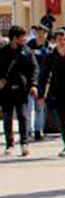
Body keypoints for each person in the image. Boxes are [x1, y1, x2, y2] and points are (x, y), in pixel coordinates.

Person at [38, 28, 65, 158]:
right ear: (55, 41)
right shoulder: (51, 56)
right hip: (58, 92)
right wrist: (41, 94)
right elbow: (44, 75)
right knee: (62, 120)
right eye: (59, 40)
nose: (62, 42)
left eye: (64, 39)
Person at [1, 26, 38, 156]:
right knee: (7, 117)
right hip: (6, 90)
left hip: (22, 89)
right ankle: (9, 144)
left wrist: (33, 85)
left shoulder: (27, 52)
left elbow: (34, 69)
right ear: (15, 38)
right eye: (22, 37)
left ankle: (24, 143)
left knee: (23, 116)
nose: (25, 39)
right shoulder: (2, 52)